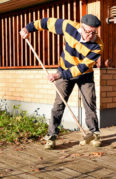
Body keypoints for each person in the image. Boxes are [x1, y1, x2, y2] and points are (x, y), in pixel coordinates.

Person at [20, 14, 104, 149]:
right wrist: (28, 28)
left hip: (85, 74)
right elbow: (47, 22)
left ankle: (94, 134)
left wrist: (58, 76)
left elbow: (81, 68)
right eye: (88, 31)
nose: (90, 35)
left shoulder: (97, 46)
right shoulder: (69, 27)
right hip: (64, 69)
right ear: (80, 27)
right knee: (58, 104)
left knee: (90, 103)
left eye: (94, 32)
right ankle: (51, 136)